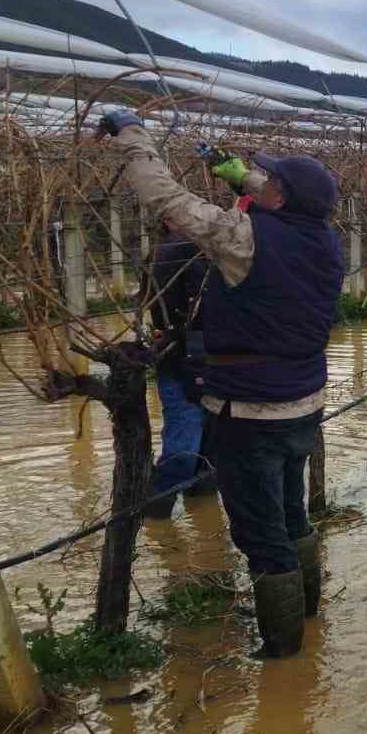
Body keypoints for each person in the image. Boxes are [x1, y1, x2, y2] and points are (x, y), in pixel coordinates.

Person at [98, 110, 344, 658]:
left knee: (261, 536)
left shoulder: (242, 239)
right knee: (291, 514)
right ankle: (307, 619)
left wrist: (133, 135)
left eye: (271, 180)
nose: (265, 182)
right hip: (303, 405)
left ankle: (282, 656)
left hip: (249, 413)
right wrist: (228, 168)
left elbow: (164, 199)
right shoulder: (326, 238)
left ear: (280, 198)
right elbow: (287, 198)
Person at [144, 217, 212, 519]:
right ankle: (155, 518)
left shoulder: (159, 251)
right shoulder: (190, 250)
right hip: (196, 363)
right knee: (188, 452)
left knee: (193, 447)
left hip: (179, 359)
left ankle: (169, 520)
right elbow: (205, 308)